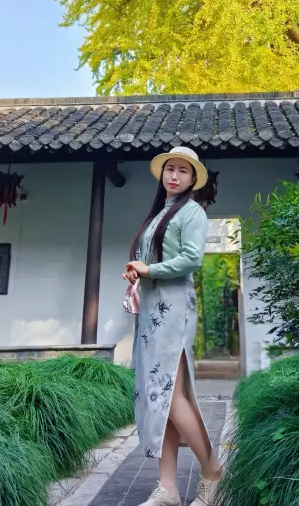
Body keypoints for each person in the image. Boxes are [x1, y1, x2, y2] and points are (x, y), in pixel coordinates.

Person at [124, 146, 223, 506]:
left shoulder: (193, 211)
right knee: (163, 398)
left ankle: (213, 471)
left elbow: (191, 259)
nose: (175, 176)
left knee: (172, 395)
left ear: (193, 178)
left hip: (174, 309)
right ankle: (167, 488)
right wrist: (138, 271)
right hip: (152, 309)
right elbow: (155, 258)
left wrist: (150, 270)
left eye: (183, 171)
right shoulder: (160, 213)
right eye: (170, 169)